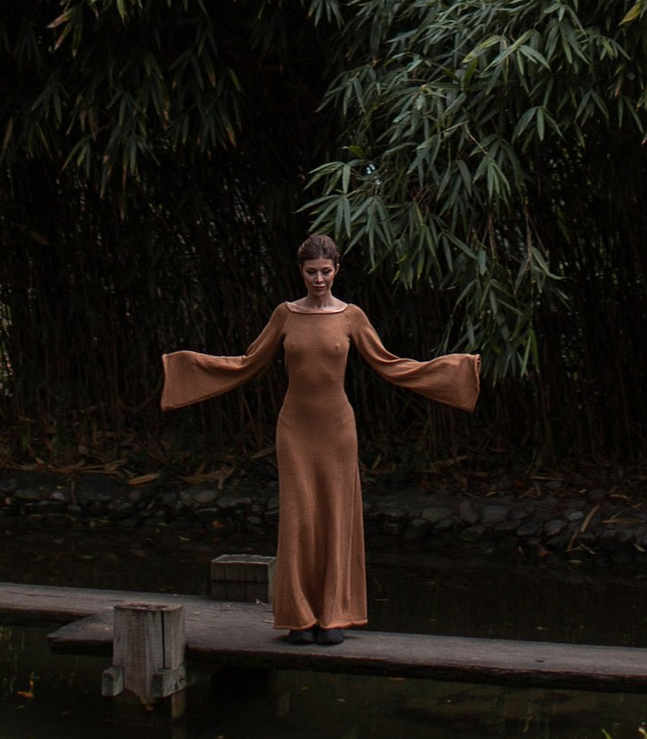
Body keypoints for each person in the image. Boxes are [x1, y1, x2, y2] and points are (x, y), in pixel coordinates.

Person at [160, 234, 481, 644]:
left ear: (336, 270)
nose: (318, 279)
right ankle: (299, 617)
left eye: (325, 271)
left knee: (335, 515)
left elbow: (390, 365)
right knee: (299, 520)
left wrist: (456, 372)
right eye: (311, 272)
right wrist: (183, 370)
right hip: (295, 430)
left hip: (338, 432)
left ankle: (333, 616)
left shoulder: (351, 316)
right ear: (301, 272)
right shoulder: (285, 314)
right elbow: (247, 363)